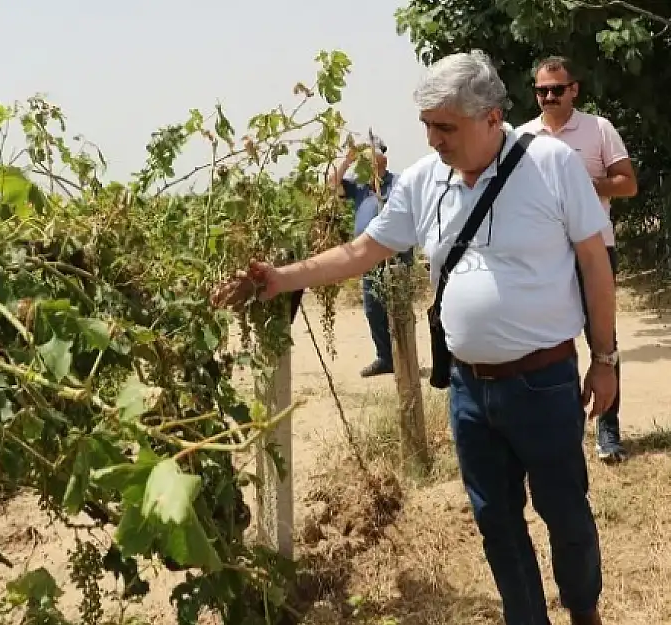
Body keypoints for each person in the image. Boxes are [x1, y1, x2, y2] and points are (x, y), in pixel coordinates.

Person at [213, 49, 619, 625]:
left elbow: (594, 264)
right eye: (427, 126)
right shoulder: (425, 182)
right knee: (497, 525)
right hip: (469, 392)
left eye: (445, 127)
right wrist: (281, 279)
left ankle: (585, 612)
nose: (433, 139)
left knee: (567, 515)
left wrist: (604, 359)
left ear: (492, 119)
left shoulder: (552, 164)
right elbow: (364, 251)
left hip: (544, 383)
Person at [516, 56, 638, 464]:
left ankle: (608, 431)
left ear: (574, 90)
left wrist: (584, 184)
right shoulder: (520, 137)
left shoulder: (598, 129)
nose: (549, 97)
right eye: (542, 90)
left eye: (557, 89)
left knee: (603, 342)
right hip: (544, 255)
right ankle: (558, 429)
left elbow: (628, 184)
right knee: (546, 343)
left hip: (594, 250)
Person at [328, 136, 412, 377]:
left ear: (383, 157)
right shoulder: (360, 186)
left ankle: (405, 358)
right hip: (368, 257)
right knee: (373, 308)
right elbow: (333, 185)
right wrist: (347, 160)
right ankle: (385, 358)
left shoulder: (397, 183)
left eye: (370, 155)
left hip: (395, 256)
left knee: (398, 307)